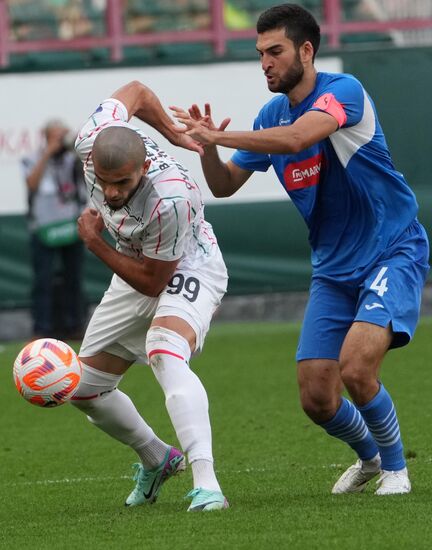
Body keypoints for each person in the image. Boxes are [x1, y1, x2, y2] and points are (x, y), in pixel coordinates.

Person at [171, 3, 430, 495]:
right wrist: (207, 148)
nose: (264, 63)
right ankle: (371, 459)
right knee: (316, 396)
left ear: (306, 51)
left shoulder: (344, 93)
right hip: (333, 268)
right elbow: (224, 185)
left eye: (275, 52)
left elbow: (295, 140)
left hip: (391, 250)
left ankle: (398, 470)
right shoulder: (271, 112)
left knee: (356, 367)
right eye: (259, 53)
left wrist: (217, 132)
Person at [71, 80, 229, 512]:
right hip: (135, 264)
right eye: (104, 183)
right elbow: (137, 91)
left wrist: (94, 242)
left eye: (122, 182)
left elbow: (155, 282)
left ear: (142, 169)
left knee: (164, 348)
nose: (112, 193)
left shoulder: (168, 199)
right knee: (83, 389)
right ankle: (157, 458)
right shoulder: (91, 138)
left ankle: (207, 484)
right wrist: (172, 131)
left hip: (187, 265)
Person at [22, 119, 87, 340]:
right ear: (46, 136)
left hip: (71, 225)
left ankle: (75, 326)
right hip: (43, 229)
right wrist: (48, 153)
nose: (60, 141)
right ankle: (42, 328)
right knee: (43, 281)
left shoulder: (72, 160)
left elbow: (89, 176)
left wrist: (76, 146)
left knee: (74, 279)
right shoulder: (32, 158)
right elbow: (31, 183)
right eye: (56, 136)